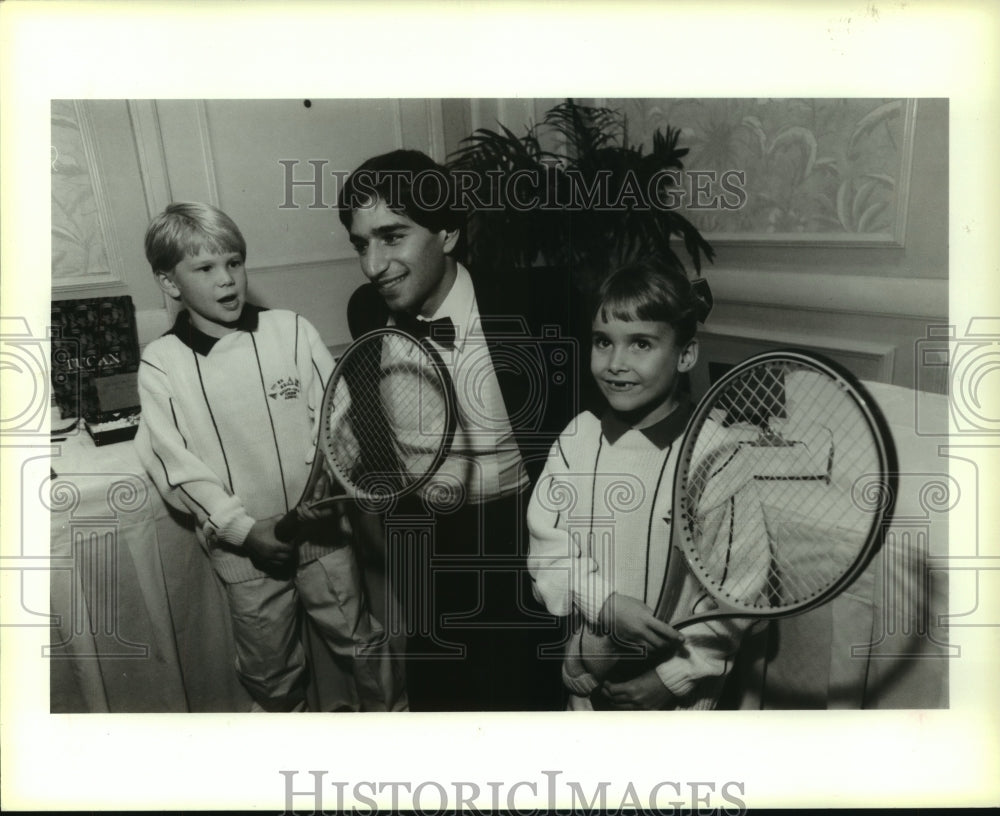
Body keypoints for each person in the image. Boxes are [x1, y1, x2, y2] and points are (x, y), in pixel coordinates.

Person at [134, 201, 403, 712]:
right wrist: (243, 530)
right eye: (205, 268)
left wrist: (331, 478)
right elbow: (176, 465)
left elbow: (336, 418)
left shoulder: (291, 329)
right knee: (271, 675)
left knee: (362, 645)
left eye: (234, 262)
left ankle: (395, 724)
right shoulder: (162, 363)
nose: (226, 280)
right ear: (170, 284)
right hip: (246, 555)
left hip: (323, 537)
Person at [337, 149, 571, 711]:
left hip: (525, 536)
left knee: (531, 708)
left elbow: (580, 437)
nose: (373, 265)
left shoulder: (538, 304)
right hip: (425, 544)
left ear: (447, 232)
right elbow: (371, 433)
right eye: (361, 244)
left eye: (392, 236)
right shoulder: (365, 312)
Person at [527, 259, 757, 710]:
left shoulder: (717, 455)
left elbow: (740, 594)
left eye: (641, 344)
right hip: (592, 683)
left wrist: (670, 679)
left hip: (678, 702)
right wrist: (603, 603)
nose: (615, 363)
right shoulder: (577, 440)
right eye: (602, 342)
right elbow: (547, 553)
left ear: (686, 354)